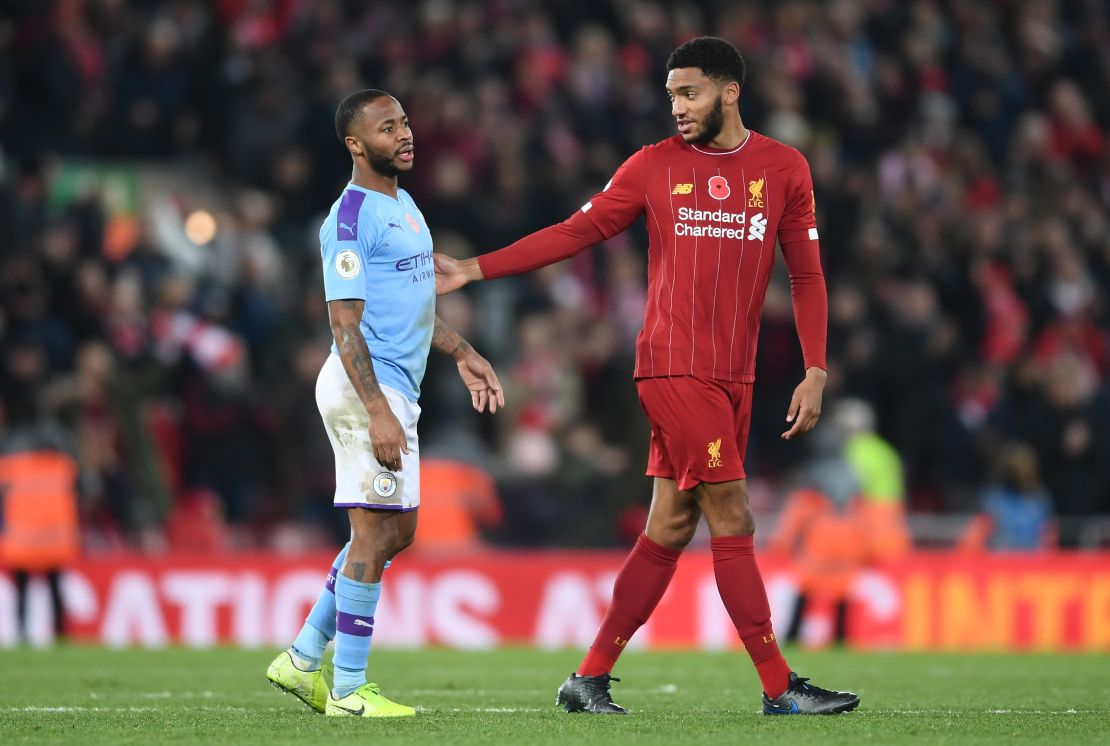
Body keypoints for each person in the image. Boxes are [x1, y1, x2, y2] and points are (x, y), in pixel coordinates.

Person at [435, 37, 858, 716]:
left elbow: (806, 275)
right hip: (673, 366)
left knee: (669, 527)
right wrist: (474, 268)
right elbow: (577, 231)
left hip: (735, 376)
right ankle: (780, 686)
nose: (677, 108)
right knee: (734, 512)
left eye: (688, 93)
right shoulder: (653, 167)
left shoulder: (784, 168)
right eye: (670, 96)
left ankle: (589, 677)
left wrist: (815, 367)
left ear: (729, 91)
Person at [266, 89, 504, 718]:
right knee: (373, 534)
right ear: (354, 143)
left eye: (404, 123)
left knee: (397, 530)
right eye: (387, 127)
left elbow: (414, 307)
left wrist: (461, 352)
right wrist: (375, 410)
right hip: (362, 386)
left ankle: (300, 658)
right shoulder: (347, 221)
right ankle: (347, 690)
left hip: (396, 385)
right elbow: (346, 324)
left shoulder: (406, 205)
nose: (404, 135)